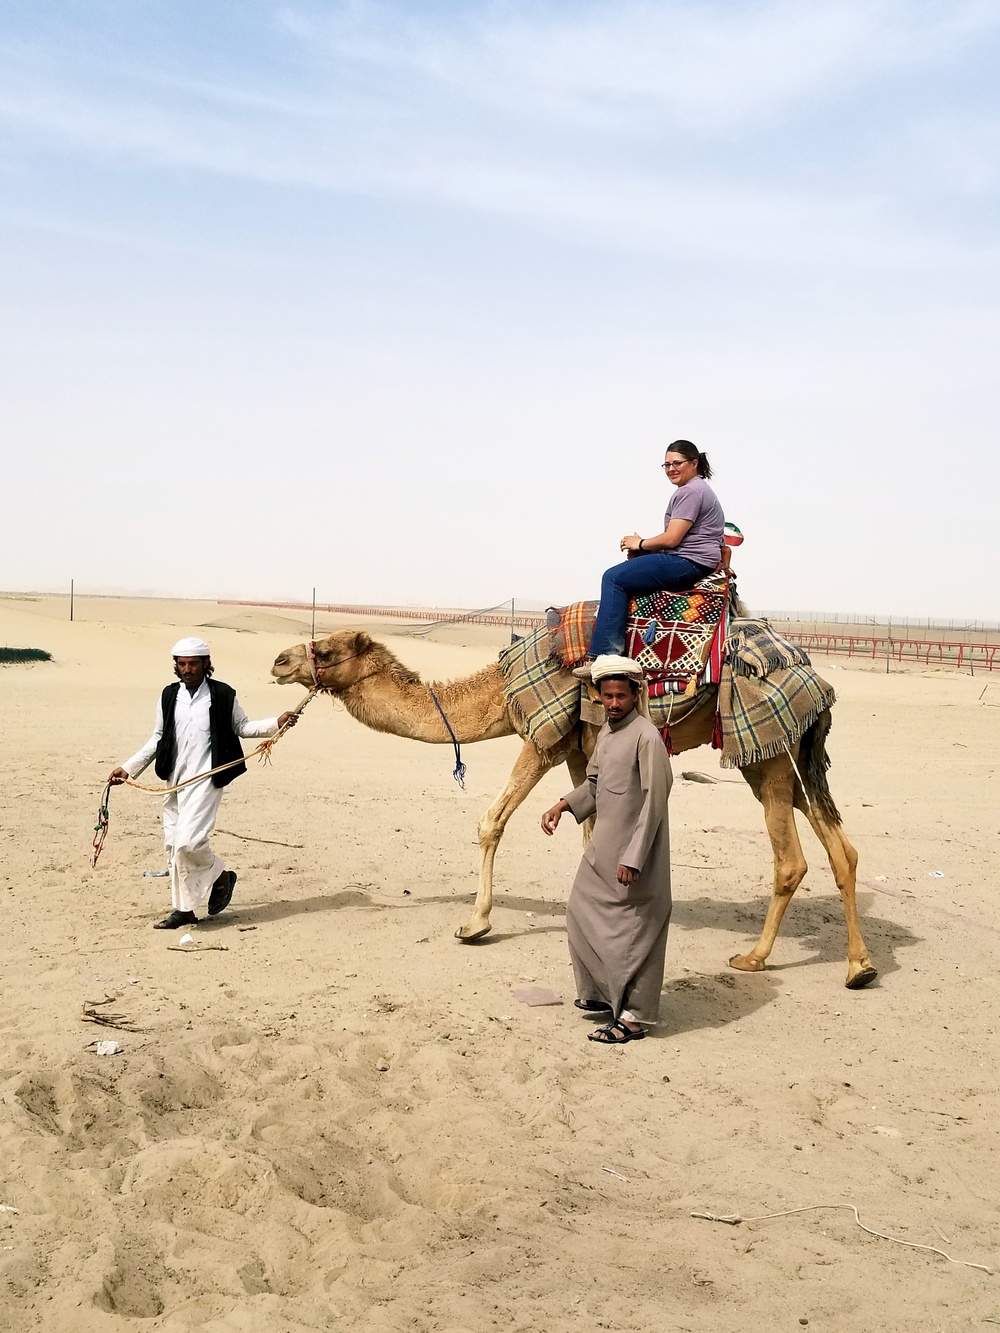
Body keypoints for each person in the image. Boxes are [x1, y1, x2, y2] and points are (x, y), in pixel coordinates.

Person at [108, 637, 299, 930]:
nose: (187, 669)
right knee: (173, 845)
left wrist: (277, 722)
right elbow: (158, 737)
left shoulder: (222, 694)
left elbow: (242, 727)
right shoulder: (170, 696)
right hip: (174, 778)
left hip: (207, 778)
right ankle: (184, 910)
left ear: (205, 664)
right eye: (182, 664)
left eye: (193, 664)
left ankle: (219, 874)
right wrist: (128, 768)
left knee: (189, 842)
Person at [540, 656, 672, 1045]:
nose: (614, 703)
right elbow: (595, 785)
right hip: (604, 849)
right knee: (580, 911)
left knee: (635, 932)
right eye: (608, 696)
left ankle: (634, 1018)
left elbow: (654, 802)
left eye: (621, 696)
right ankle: (599, 992)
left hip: (636, 854)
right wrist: (562, 805)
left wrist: (633, 858)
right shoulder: (608, 734)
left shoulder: (647, 738)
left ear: (635, 694)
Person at [586, 439, 725, 659]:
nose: (671, 469)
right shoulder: (698, 489)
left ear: (694, 463)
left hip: (687, 562)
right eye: (667, 465)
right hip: (692, 560)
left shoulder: (691, 491)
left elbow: (671, 539)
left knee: (613, 578)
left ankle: (605, 656)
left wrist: (639, 544)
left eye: (677, 463)